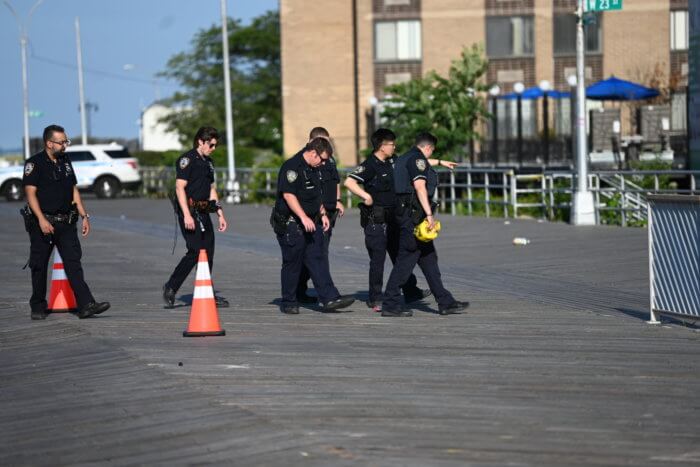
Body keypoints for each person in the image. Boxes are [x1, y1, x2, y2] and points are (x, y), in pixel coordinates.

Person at [22, 124, 110, 320]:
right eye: (62, 142)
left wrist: (84, 215)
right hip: (43, 224)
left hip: (66, 223)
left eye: (66, 142)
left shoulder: (65, 161)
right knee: (39, 265)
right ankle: (37, 305)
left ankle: (86, 304)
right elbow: (30, 194)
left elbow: (73, 189)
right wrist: (42, 219)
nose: (65, 145)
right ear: (49, 143)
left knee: (73, 263)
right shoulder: (34, 163)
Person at [381, 132, 469, 317]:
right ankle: (390, 303)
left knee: (429, 259)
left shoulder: (406, 157)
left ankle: (445, 302)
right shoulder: (417, 159)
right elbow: (420, 186)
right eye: (432, 152)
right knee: (406, 258)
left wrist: (440, 162)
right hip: (413, 217)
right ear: (428, 147)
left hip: (406, 214)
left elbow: (421, 163)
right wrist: (429, 214)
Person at [344, 128, 431, 312]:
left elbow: (413, 165)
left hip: (395, 219)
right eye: (391, 144)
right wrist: (365, 195)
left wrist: (439, 162)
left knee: (400, 256)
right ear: (382, 146)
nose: (394, 147)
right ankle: (375, 298)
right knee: (378, 259)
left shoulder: (394, 161)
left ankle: (411, 290)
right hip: (376, 221)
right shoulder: (370, 165)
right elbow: (349, 181)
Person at [271, 137, 355, 314]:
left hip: (312, 221)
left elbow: (316, 195)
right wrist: (303, 217)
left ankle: (330, 298)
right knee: (293, 263)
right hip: (292, 224)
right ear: (312, 152)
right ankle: (289, 302)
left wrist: (322, 214)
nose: (324, 163)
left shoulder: (314, 168)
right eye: (322, 159)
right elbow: (289, 196)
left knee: (317, 258)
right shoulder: (292, 167)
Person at [163, 127, 229, 308]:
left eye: (216, 145)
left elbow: (211, 190)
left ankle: (207, 292)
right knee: (194, 251)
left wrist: (220, 214)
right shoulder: (187, 160)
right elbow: (179, 188)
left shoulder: (209, 162)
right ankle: (171, 287)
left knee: (208, 252)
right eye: (211, 144)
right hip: (189, 211)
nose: (213, 148)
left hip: (204, 210)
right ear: (201, 141)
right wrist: (186, 215)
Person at [296, 127, 344, 303]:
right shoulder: (306, 161)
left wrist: (338, 200)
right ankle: (327, 294)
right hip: (315, 213)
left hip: (329, 212)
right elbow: (312, 190)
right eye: (323, 141)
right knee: (317, 254)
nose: (327, 144)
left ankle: (299, 290)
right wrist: (320, 209)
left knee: (316, 253)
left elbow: (335, 181)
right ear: (312, 142)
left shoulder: (329, 160)